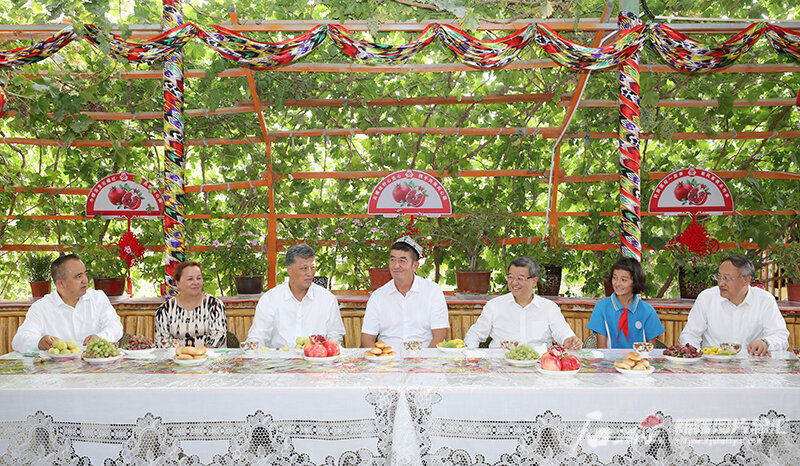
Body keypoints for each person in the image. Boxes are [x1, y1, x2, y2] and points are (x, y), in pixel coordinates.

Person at [679, 254, 789, 356]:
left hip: (751, 366)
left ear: (746, 280)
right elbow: (690, 335)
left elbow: (780, 337)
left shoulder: (764, 300)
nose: (721, 283)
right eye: (719, 277)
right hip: (713, 366)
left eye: (727, 278)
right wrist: (697, 355)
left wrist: (765, 342)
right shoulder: (706, 298)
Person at [464, 256, 582, 350]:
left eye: (520, 278)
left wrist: (569, 340)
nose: (514, 283)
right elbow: (473, 335)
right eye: (511, 277)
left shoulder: (549, 308)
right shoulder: (494, 306)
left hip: (539, 366)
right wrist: (472, 358)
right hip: (501, 367)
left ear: (534, 281)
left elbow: (563, 333)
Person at [12, 254, 123, 353]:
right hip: (56, 369)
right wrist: (38, 342)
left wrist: (100, 337)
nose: (85, 280)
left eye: (85, 274)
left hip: (94, 366)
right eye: (78, 276)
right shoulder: (41, 307)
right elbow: (19, 340)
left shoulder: (98, 298)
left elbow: (115, 327)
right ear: (61, 284)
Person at [246, 244, 345, 348]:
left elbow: (335, 338)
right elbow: (257, 337)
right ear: (289, 270)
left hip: (317, 357)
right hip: (279, 357)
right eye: (304, 268)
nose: (310, 273)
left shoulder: (327, 299)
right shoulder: (270, 299)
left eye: (312, 267)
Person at [361, 236, 449, 350]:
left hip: (425, 357)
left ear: (415, 266)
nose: (396, 266)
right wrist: (381, 357)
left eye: (402, 261)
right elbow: (367, 339)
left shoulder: (432, 291)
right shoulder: (378, 296)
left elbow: (440, 336)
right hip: (388, 358)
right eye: (393, 260)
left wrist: (425, 358)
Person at [587, 257, 664, 349]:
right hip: (609, 358)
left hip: (641, 358)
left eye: (623, 280)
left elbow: (652, 350)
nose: (617, 284)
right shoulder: (601, 308)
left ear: (635, 281)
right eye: (614, 278)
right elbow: (602, 349)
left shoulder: (647, 311)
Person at [154, 261, 227, 348]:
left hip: (210, 354)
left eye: (199, 278)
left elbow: (218, 336)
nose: (196, 282)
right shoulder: (164, 310)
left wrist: (200, 354)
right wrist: (182, 354)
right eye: (190, 279)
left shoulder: (214, 304)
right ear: (177, 283)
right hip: (176, 355)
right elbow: (162, 342)